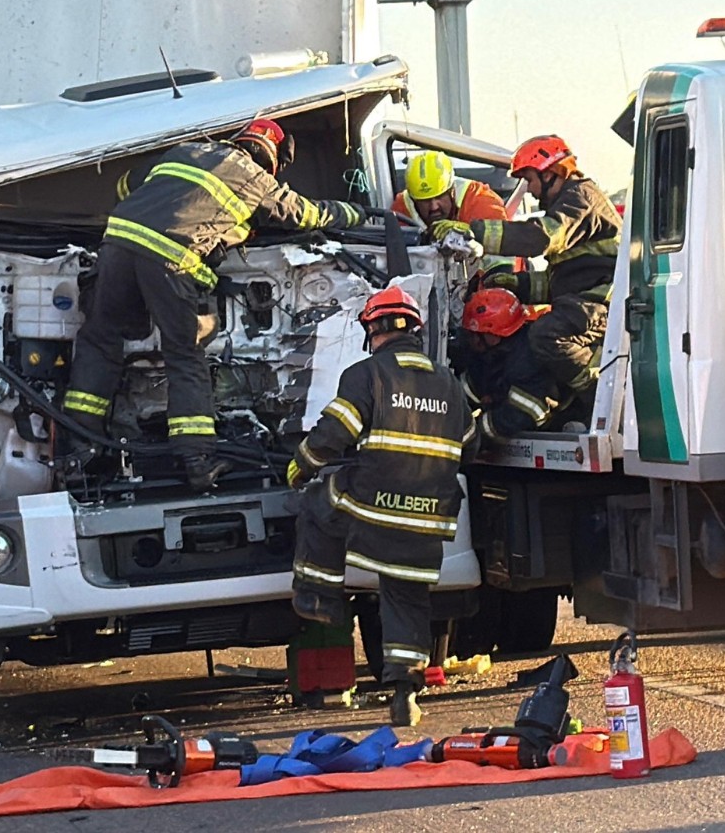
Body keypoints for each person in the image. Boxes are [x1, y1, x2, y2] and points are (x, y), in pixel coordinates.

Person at [62, 118, 366, 488]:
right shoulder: (256, 178)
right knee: (184, 354)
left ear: (239, 139)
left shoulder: (187, 150)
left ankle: (79, 449)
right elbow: (305, 215)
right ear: (271, 158)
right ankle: (197, 462)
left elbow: (126, 184)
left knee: (99, 339)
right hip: (171, 258)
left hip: (118, 241)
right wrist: (354, 213)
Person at [286, 286, 474, 727]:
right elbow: (469, 440)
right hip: (430, 515)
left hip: (374, 507)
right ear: (416, 330)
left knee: (317, 501)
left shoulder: (365, 374)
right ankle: (405, 691)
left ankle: (322, 600)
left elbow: (332, 437)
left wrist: (299, 466)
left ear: (373, 329)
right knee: (405, 595)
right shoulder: (448, 383)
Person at [439, 135, 620, 401]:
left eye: (530, 180)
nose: (530, 191)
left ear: (549, 174)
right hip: (588, 299)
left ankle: (597, 393)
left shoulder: (580, 198)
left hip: (604, 301)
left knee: (547, 335)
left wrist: (474, 232)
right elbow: (565, 281)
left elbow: (543, 237)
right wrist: (518, 284)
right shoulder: (573, 200)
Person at [456, 288, 563, 441]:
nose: (472, 340)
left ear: (493, 335)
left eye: (475, 334)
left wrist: (473, 434)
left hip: (551, 423)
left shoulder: (526, 360)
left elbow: (524, 414)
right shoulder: (495, 351)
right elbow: (474, 383)